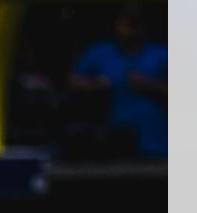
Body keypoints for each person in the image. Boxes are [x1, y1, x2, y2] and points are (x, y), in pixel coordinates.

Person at [69, 3, 167, 159]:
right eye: (125, 23)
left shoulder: (161, 54)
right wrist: (96, 85)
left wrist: (149, 85)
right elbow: (73, 82)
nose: (129, 29)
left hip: (157, 143)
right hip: (112, 141)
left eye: (134, 23)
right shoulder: (101, 53)